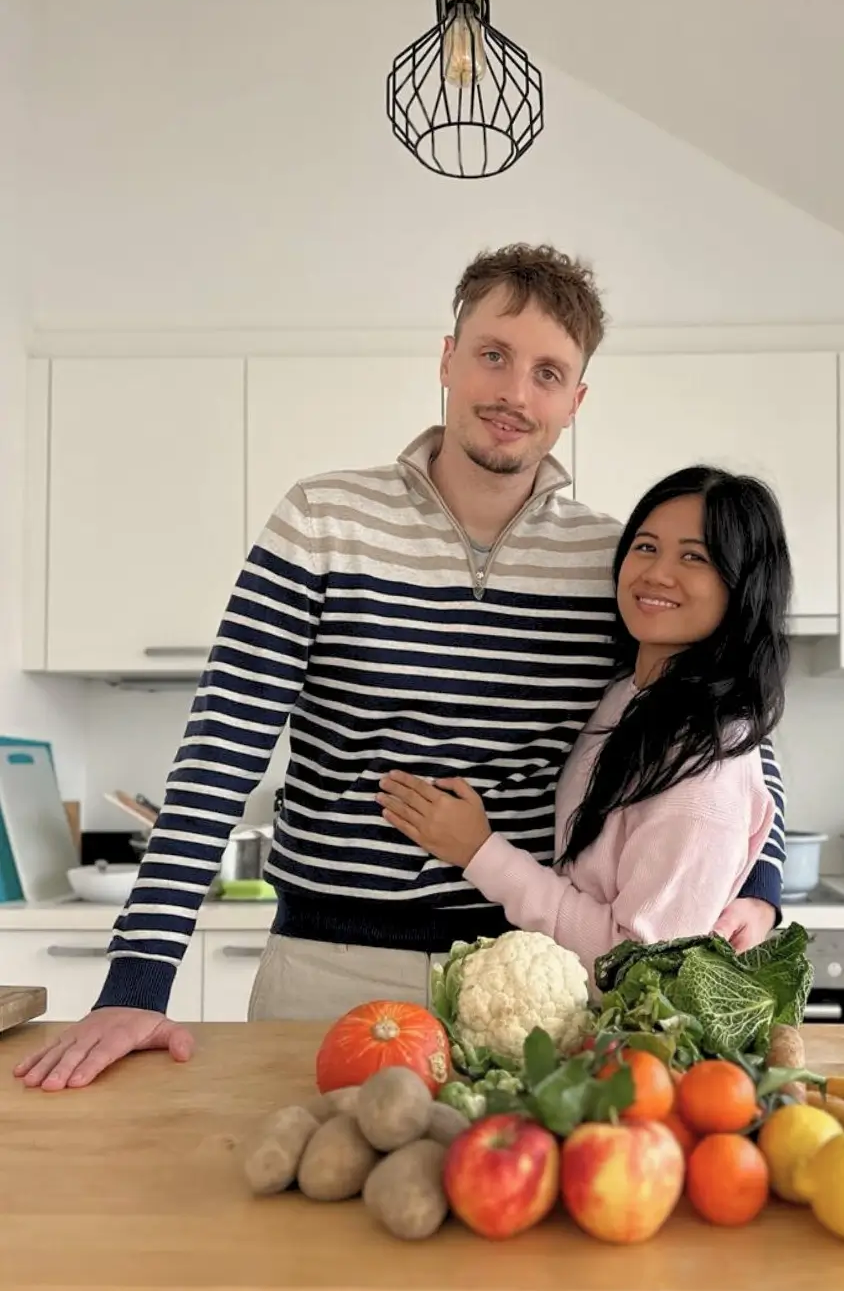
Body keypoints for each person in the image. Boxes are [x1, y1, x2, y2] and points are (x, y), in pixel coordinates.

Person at [14, 243, 787, 1092]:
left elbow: (719, 728)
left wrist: (761, 881)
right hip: (327, 970)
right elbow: (220, 751)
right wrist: (136, 983)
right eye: (493, 355)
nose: (513, 393)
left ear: (576, 400)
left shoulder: (611, 558)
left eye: (547, 372)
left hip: (530, 988)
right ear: (448, 359)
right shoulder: (323, 520)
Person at [377, 465, 791, 989]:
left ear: (743, 585)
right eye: (645, 547)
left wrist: (480, 852)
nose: (657, 573)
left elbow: (637, 965)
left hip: (623, 1049)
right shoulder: (628, 695)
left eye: (694, 556)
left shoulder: (704, 768)